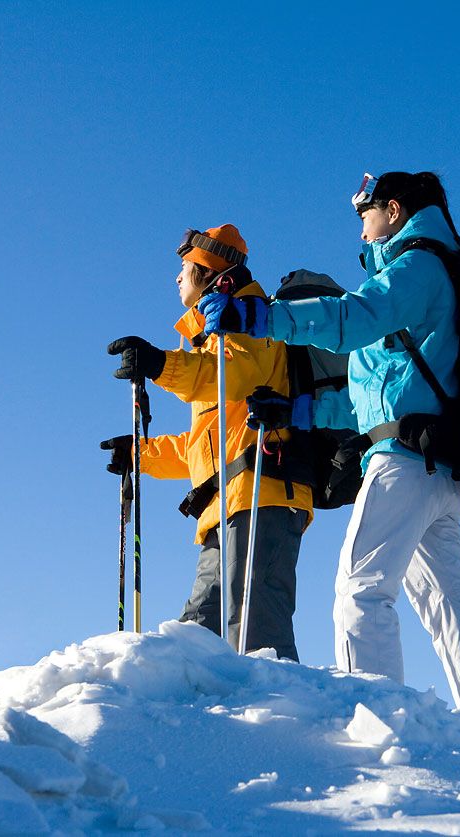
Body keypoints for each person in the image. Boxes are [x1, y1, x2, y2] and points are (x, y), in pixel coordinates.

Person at [198, 172, 460, 713]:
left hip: (405, 464)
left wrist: (260, 317)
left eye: (365, 213)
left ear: (393, 209)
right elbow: (376, 399)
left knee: (361, 591)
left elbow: (351, 319)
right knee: (452, 609)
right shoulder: (432, 271)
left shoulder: (417, 265)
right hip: (431, 466)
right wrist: (298, 410)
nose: (362, 228)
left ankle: (378, 721)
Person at [100, 224, 312, 661]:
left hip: (262, 496)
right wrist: (139, 454)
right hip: (228, 505)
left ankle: (282, 723)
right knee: (201, 629)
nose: (177, 278)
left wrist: (160, 365)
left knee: (256, 633)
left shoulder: (251, 320)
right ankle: (210, 724)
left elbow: (231, 376)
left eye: (185, 268)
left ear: (211, 273)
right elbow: (201, 445)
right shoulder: (212, 338)